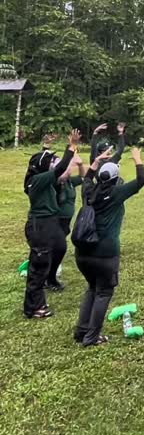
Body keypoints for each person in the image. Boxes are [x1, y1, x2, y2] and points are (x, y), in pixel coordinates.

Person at [73, 146, 144, 346]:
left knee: (91, 288)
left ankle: (82, 330)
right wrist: (138, 159)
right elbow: (141, 181)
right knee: (103, 292)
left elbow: (86, 178)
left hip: (82, 253)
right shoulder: (116, 193)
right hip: (105, 254)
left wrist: (96, 162)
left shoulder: (89, 191)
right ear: (115, 179)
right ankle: (91, 337)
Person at [23, 130, 81, 319]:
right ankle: (33, 307)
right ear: (43, 166)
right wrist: (71, 146)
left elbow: (63, 172)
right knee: (38, 266)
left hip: (49, 223)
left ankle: (41, 295)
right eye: (51, 161)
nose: (54, 163)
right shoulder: (38, 180)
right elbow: (60, 167)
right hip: (40, 226)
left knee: (52, 252)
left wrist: (48, 146)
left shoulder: (43, 179)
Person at [47, 152, 87, 292]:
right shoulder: (56, 182)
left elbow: (83, 177)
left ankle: (50, 275)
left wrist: (81, 164)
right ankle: (50, 277)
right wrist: (71, 161)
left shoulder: (70, 182)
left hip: (65, 221)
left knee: (57, 248)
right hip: (56, 220)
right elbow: (63, 174)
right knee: (57, 247)